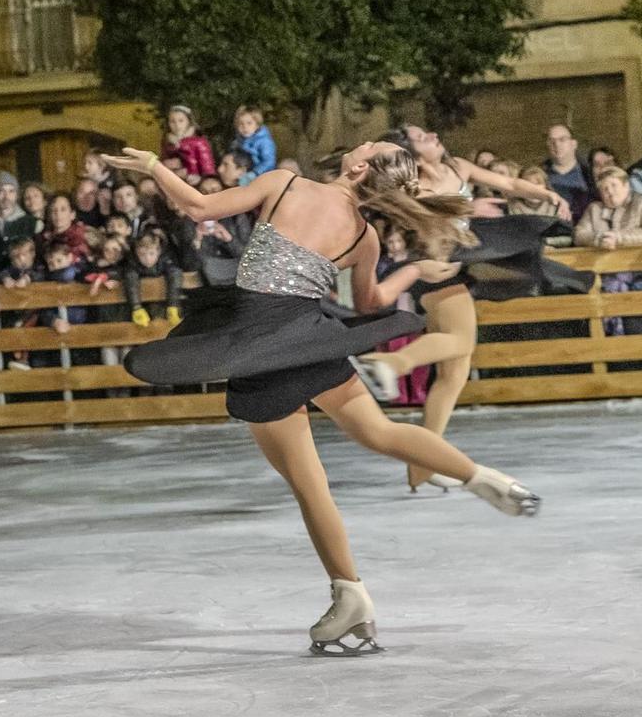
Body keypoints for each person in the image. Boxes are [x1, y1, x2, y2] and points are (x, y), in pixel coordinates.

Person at [102, 143, 540, 654]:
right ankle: (484, 477)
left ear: (358, 167)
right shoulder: (364, 235)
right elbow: (372, 302)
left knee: (311, 487)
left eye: (369, 145)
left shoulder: (285, 184)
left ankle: (350, 597)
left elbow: (198, 207)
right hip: (309, 338)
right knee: (380, 432)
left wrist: (154, 167)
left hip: (261, 348)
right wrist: (415, 272)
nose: (361, 143)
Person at [353, 125, 586, 484]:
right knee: (462, 344)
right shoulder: (412, 186)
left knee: (454, 374)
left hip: (459, 266)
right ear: (410, 153)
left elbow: (509, 185)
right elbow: (426, 215)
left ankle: (422, 467)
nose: (432, 134)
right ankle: (386, 363)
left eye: (429, 132)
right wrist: (468, 205)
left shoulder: (459, 167)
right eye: (420, 137)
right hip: (435, 269)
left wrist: (549, 195)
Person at [543, 123, 593, 218]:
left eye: (562, 139)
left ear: (574, 144)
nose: (556, 144)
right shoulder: (539, 174)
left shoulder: (590, 174)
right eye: (551, 141)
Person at [161, 105, 215, 178]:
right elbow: (163, 159)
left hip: (195, 180)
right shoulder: (167, 141)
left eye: (181, 121)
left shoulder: (199, 142)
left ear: (189, 121)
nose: (177, 125)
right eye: (172, 121)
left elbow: (208, 168)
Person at [229, 107, 276, 179]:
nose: (245, 127)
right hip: (245, 173)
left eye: (249, 123)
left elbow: (269, 161)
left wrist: (255, 172)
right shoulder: (239, 140)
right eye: (241, 124)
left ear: (257, 125)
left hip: (263, 175)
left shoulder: (264, 141)